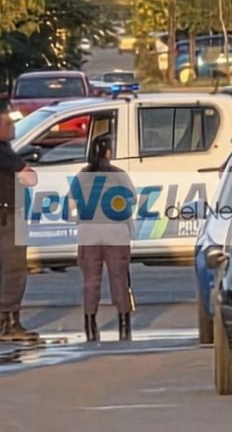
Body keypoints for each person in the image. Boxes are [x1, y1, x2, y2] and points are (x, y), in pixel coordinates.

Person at [0, 107, 39, 342]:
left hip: (1, 217)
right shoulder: (1, 153)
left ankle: (5, 323)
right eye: (7, 123)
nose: (12, 127)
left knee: (5, 271)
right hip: (7, 219)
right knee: (13, 271)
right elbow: (29, 176)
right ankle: (8, 325)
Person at [71, 137, 135, 342]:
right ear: (108, 152)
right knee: (119, 279)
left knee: (91, 281)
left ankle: (90, 325)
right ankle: (124, 324)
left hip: (89, 230)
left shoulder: (82, 175)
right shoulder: (118, 175)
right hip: (116, 231)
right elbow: (131, 199)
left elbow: (71, 204)